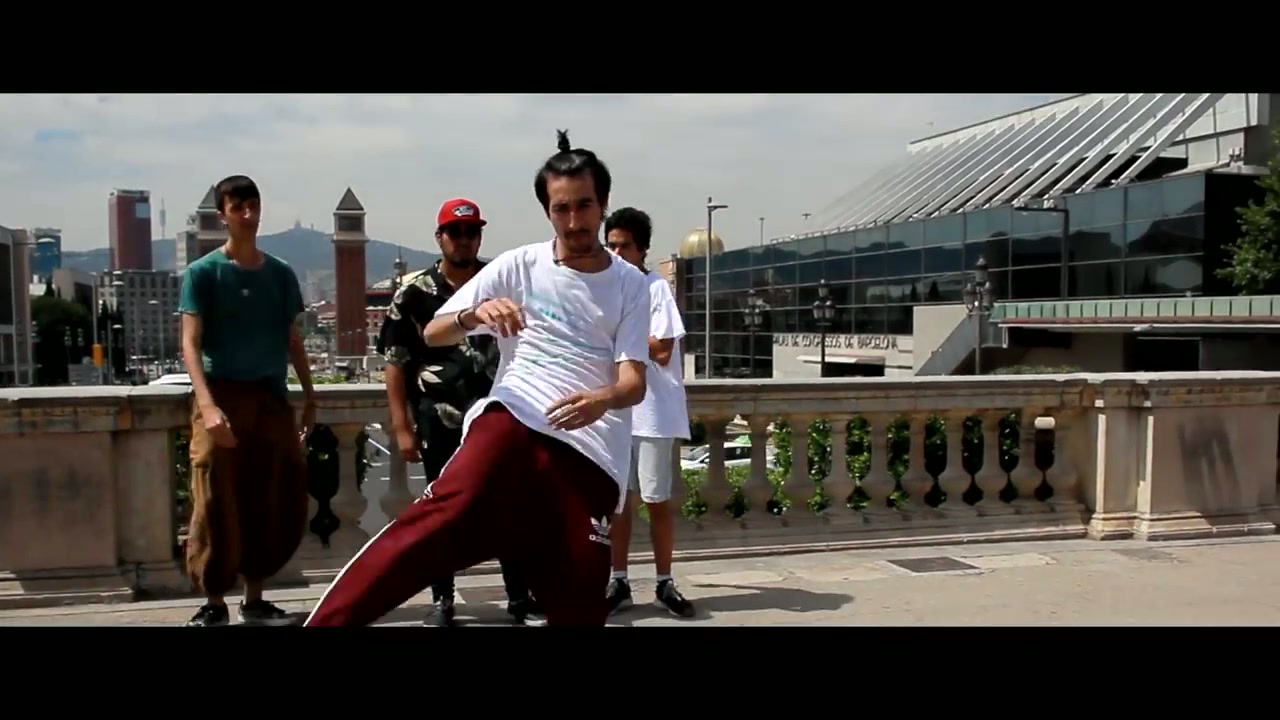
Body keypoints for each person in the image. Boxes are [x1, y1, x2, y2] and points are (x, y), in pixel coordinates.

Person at [304, 129, 650, 627]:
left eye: (584, 206)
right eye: (561, 208)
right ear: (547, 211)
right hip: (513, 420)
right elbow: (434, 331)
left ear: (603, 205)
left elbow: (633, 382)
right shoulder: (519, 265)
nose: (574, 221)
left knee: (581, 595)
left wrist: (603, 398)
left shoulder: (631, 285)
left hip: (590, 450)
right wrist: (474, 314)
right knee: (435, 525)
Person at [375, 197, 541, 627]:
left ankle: (520, 597)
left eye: (471, 232)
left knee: (509, 505)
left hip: (497, 417)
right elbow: (395, 364)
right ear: (440, 237)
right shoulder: (414, 292)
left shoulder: (498, 282)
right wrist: (401, 426)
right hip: (439, 418)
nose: (464, 240)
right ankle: (442, 598)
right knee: (442, 512)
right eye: (455, 232)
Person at [179, 174, 314, 627]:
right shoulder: (202, 273)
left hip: (270, 397)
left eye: (253, 205)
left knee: (268, 496)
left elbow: (292, 339)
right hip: (221, 395)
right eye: (238, 207)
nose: (248, 214)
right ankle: (214, 601)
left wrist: (309, 395)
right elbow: (190, 342)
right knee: (215, 498)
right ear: (223, 215)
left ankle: (255, 599)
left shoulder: (280, 274)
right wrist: (207, 406)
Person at [602, 207, 696, 618]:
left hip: (653, 413)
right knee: (618, 503)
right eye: (611, 245)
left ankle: (664, 581)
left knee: (656, 500)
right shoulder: (605, 289)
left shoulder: (654, 288)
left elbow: (661, 349)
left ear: (641, 249)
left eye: (624, 246)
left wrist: (620, 334)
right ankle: (618, 580)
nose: (616, 253)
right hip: (617, 413)